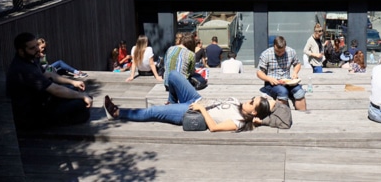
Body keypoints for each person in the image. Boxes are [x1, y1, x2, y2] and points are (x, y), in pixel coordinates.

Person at [104, 71, 270, 132]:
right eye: (251, 98)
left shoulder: (238, 121)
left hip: (193, 112)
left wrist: (201, 109)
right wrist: (259, 120)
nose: (248, 100)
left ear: (254, 111)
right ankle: (171, 102)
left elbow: (214, 128)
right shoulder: (238, 105)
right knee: (173, 75)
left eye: (251, 102)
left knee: (153, 112)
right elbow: (271, 106)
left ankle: (117, 113)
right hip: (197, 99)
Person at [6, 32, 92, 129]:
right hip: (32, 115)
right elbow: (55, 90)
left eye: (36, 46)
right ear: (21, 51)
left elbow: (48, 74)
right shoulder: (24, 69)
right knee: (81, 104)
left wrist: (73, 82)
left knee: (74, 90)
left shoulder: (30, 59)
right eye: (32, 48)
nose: (37, 49)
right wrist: (82, 96)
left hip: (41, 101)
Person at [257, 36, 307, 111]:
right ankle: (282, 116)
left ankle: (303, 115)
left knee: (299, 92)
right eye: (278, 51)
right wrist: (269, 78)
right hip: (272, 83)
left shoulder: (291, 51)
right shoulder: (266, 54)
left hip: (287, 81)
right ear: (274, 46)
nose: (280, 53)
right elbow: (259, 72)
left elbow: (297, 63)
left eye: (282, 51)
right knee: (283, 92)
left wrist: (295, 72)